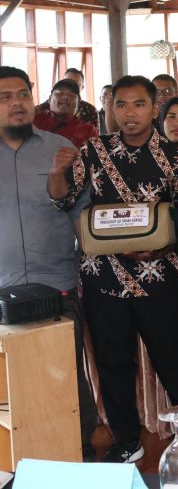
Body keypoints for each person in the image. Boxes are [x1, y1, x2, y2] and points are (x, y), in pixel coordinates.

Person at [47, 75, 178, 464]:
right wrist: (55, 172)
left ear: (154, 108)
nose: (129, 113)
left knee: (175, 362)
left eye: (138, 105)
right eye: (121, 105)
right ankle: (127, 442)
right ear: (110, 109)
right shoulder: (94, 151)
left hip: (159, 276)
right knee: (113, 362)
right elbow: (63, 200)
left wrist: (165, 244)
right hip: (103, 276)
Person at [0, 66, 98, 461]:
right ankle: (16, 462)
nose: (16, 103)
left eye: (22, 94)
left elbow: (82, 217)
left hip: (56, 285)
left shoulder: (61, 149)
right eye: (4, 97)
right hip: (1, 289)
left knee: (65, 378)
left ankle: (80, 454)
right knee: (8, 389)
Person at [34, 79, 97, 147]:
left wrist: (78, 156)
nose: (65, 97)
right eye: (60, 93)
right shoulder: (34, 122)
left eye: (72, 95)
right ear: (49, 99)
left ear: (78, 103)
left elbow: (102, 156)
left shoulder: (88, 131)